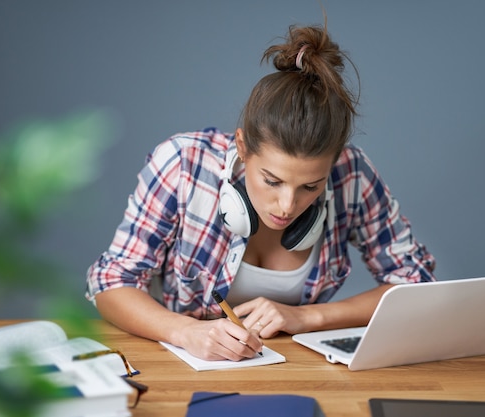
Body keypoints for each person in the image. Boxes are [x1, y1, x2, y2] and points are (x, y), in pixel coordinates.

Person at [86, 24, 435, 362]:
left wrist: (308, 317)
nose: (287, 206)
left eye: (310, 187)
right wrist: (186, 331)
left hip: (300, 373)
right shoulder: (183, 164)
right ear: (242, 146)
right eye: (272, 181)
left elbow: (415, 283)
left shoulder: (352, 173)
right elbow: (112, 283)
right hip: (183, 371)